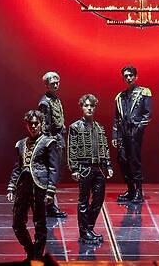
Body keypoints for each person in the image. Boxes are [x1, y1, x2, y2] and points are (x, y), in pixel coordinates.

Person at [7, 110, 58, 262]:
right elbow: (17, 167)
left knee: (39, 224)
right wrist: (11, 187)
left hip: (40, 187)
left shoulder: (48, 142)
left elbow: (53, 168)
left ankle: (37, 255)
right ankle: (30, 250)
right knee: (17, 223)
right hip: (23, 188)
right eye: (31, 124)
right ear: (26, 125)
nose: (34, 126)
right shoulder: (21, 144)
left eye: (36, 123)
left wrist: (50, 191)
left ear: (41, 124)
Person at [68, 94, 114, 244]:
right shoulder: (75, 127)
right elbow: (72, 148)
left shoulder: (99, 127)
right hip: (84, 167)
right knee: (83, 200)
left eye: (92, 106)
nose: (89, 108)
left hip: (99, 168)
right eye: (86, 105)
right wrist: (74, 168)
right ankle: (84, 232)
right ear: (82, 107)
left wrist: (108, 165)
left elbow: (104, 147)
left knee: (98, 199)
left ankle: (88, 228)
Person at [112, 65, 152, 203]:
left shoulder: (144, 92)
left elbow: (147, 114)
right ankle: (130, 189)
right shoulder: (120, 97)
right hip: (123, 132)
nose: (128, 78)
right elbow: (116, 118)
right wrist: (115, 135)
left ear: (136, 77)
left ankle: (139, 191)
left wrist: (138, 129)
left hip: (134, 132)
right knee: (122, 160)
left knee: (134, 160)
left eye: (131, 75)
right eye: (126, 76)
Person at [38, 71, 68, 218]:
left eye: (57, 82)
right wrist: (48, 144)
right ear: (47, 85)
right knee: (52, 173)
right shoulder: (45, 102)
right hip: (52, 141)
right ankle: (49, 206)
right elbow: (45, 125)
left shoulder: (55, 99)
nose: (56, 85)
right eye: (52, 83)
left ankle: (50, 205)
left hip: (58, 139)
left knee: (57, 173)